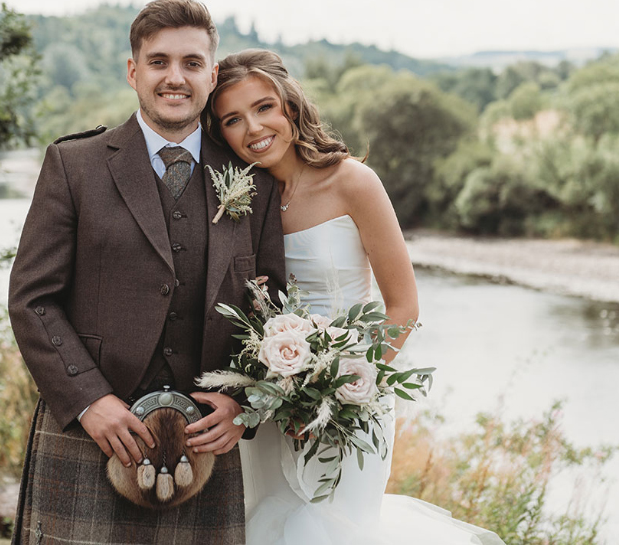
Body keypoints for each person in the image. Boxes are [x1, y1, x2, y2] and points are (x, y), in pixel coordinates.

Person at [8, 0, 285, 545]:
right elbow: (32, 300)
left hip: (206, 445)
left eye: (191, 63)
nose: (174, 78)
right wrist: (89, 401)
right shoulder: (75, 165)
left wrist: (244, 403)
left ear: (211, 73)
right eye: (158, 62)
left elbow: (272, 304)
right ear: (134, 71)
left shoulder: (255, 178)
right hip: (92, 435)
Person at [205, 49, 506, 545]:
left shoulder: (353, 182)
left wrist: (340, 390)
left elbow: (404, 308)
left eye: (264, 108)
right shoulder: (242, 201)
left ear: (290, 107)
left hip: (349, 404)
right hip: (270, 408)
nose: (253, 128)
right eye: (233, 119)